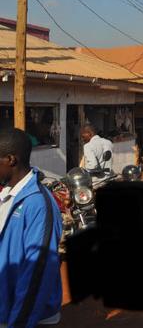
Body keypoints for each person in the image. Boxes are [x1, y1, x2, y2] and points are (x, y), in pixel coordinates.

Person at [0, 128, 62, 328]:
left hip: (26, 316)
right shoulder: (8, 195)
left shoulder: (38, 204)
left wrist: (19, 322)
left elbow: (37, 272)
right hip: (7, 305)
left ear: (10, 160)